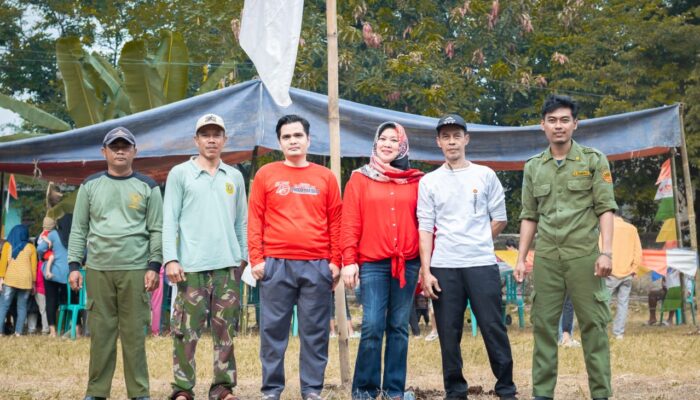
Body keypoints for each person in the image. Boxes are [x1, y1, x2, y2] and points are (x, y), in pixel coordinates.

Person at [515, 95, 617, 400]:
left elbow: (606, 208)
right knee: (544, 328)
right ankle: (542, 394)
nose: (558, 126)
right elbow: (528, 215)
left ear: (575, 124)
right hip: (547, 258)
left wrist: (606, 252)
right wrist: (521, 258)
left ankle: (601, 394)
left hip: (585, 257)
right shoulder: (533, 167)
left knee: (593, 327)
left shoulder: (593, 160)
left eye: (564, 120)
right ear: (542, 125)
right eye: (552, 120)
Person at [418, 114, 517, 400]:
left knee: (492, 325)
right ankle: (455, 389)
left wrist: (478, 241)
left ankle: (506, 387)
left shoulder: (484, 174)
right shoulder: (429, 181)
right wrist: (426, 270)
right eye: (446, 136)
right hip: (444, 265)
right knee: (448, 331)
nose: (452, 141)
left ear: (466, 139)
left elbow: (500, 218)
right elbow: (425, 228)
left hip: (481, 263)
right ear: (438, 142)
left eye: (456, 135)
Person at [248, 114, 342, 400]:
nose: (293, 141)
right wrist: (257, 259)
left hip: (317, 266)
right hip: (276, 264)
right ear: (279, 142)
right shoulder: (266, 174)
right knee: (273, 332)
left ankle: (312, 389)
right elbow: (254, 219)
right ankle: (272, 390)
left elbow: (336, 221)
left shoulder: (325, 176)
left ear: (308, 139)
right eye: (287, 137)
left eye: (298, 135)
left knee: (315, 333)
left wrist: (335, 261)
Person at [67, 127, 163, 400]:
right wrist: (74, 264)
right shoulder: (90, 185)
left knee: (134, 335)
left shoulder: (148, 186)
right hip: (98, 268)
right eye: (114, 146)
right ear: (104, 152)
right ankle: (96, 392)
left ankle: (139, 392)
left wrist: (154, 265)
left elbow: (157, 228)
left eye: (125, 146)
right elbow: (79, 228)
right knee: (101, 333)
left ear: (135, 151)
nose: (120, 150)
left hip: (135, 269)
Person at [162, 113, 247, 400]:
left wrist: (242, 259)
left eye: (217, 134)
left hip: (227, 267)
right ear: (196, 140)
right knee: (186, 332)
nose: (211, 139)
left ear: (225, 139)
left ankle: (222, 387)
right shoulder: (180, 173)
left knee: (226, 332)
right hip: (190, 268)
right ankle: (183, 389)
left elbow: (241, 223)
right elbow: (169, 220)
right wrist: (171, 259)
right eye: (205, 134)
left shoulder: (234, 176)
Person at [340, 121, 424, 400]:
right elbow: (350, 222)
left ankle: (394, 390)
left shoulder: (417, 181)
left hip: (408, 263)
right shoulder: (359, 178)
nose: (388, 144)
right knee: (373, 325)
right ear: (375, 143)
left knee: (399, 327)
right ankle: (364, 389)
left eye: (394, 140)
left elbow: (425, 223)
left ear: (403, 146)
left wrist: (426, 263)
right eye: (383, 139)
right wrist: (349, 260)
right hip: (373, 262)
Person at [603, 215, 642, 339]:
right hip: (627, 272)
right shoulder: (632, 229)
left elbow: (599, 248)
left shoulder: (605, 229)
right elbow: (638, 252)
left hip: (609, 272)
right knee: (623, 303)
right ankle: (618, 333)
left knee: (603, 303)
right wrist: (634, 268)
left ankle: (601, 331)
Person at [37, 216, 74, 337]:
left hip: (52, 273)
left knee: (51, 301)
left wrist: (46, 253)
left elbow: (40, 248)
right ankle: (74, 328)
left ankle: (52, 331)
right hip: (70, 274)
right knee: (71, 301)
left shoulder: (53, 234)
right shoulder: (75, 236)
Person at [0, 224, 38, 336]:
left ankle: (0, 332)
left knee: (3, 306)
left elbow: (2, 264)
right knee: (22, 307)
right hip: (26, 281)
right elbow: (33, 267)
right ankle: (18, 332)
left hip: (10, 279)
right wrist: (33, 283)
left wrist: (1, 278)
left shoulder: (7, 245)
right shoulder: (31, 247)